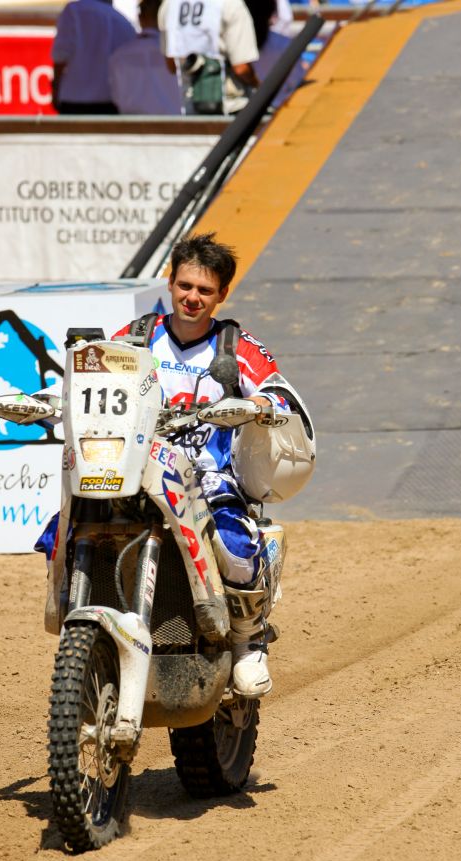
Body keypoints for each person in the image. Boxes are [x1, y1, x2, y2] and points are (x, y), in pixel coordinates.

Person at [113, 233, 315, 698]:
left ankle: (248, 641)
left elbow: (280, 392)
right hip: (134, 470)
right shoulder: (135, 338)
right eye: (185, 286)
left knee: (233, 543)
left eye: (205, 290)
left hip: (207, 476)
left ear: (222, 294)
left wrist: (259, 405)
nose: (192, 298)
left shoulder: (237, 348)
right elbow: (91, 376)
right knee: (68, 521)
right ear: (170, 282)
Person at [157, 0, 260, 115]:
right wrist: (259, 86)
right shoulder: (231, 4)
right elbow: (241, 68)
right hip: (230, 107)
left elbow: (172, 65)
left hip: (191, 107)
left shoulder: (169, 4)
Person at [51, 0, 136, 115]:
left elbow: (60, 55)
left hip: (74, 100)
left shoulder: (74, 11)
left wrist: (56, 88)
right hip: (110, 102)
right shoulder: (125, 23)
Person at [108, 0, 181, 115]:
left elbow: (115, 95)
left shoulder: (119, 55)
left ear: (140, 17)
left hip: (132, 125)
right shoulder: (177, 54)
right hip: (174, 124)